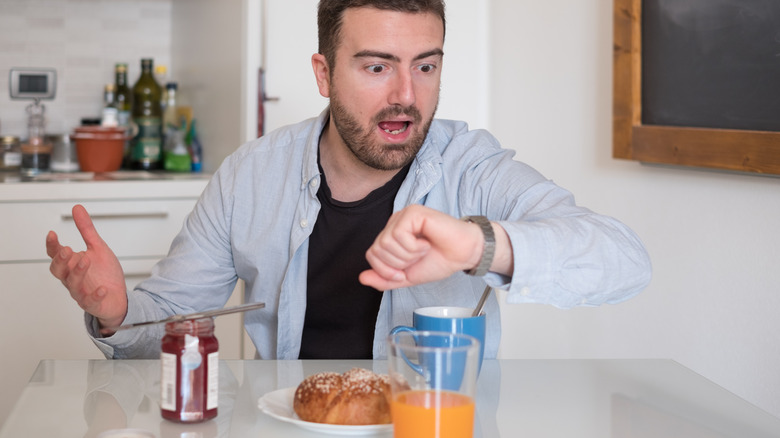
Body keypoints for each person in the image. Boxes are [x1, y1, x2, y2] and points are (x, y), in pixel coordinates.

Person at [46, 0, 651, 360]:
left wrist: (479, 244)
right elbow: (170, 321)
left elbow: (623, 260)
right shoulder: (250, 177)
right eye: (376, 66)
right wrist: (118, 311)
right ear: (324, 72)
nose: (406, 97)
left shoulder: (471, 166)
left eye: (426, 66)